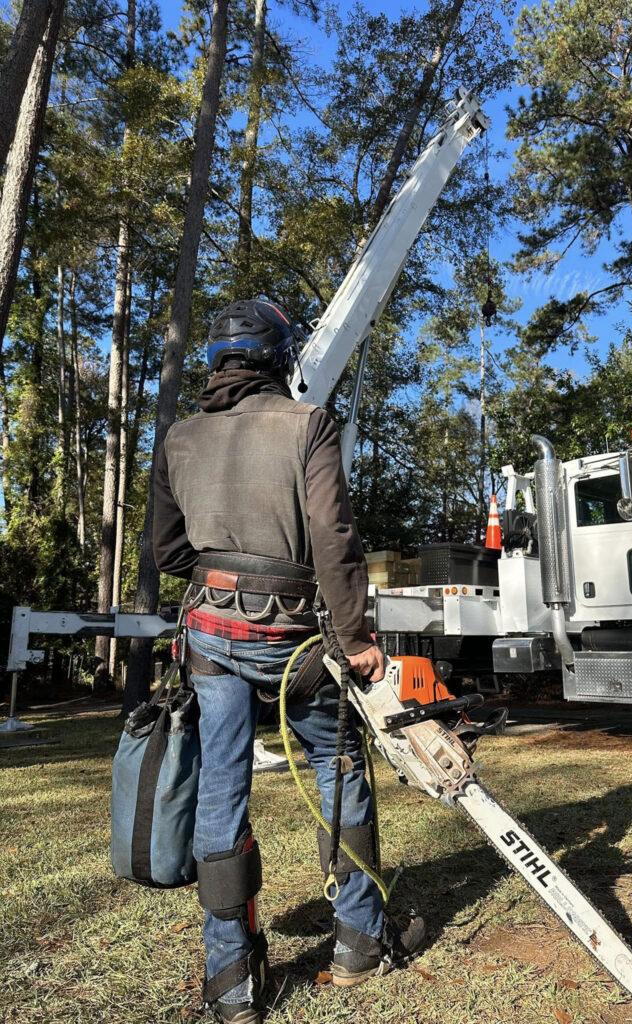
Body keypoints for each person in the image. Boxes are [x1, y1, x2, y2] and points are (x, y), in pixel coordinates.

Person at [152, 298, 424, 1024]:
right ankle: (360, 943)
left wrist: (222, 565)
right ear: (281, 358)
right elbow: (334, 539)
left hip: (209, 637)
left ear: (218, 360)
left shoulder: (179, 437)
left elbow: (170, 551)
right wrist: (356, 636)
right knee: (339, 770)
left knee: (220, 792)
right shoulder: (308, 423)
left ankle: (232, 982)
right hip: (296, 639)